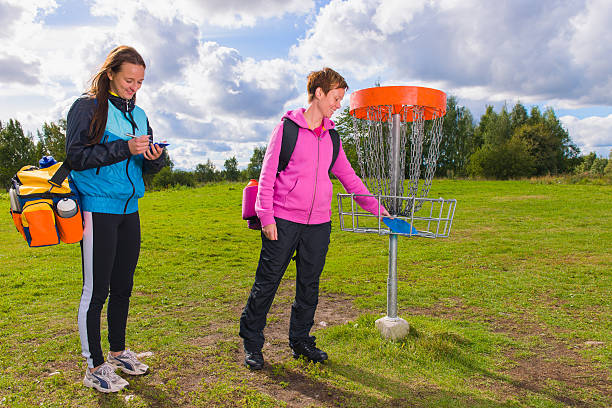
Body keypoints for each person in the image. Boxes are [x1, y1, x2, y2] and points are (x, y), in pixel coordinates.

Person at [239, 67, 390, 370]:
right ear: (318, 93)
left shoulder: (333, 137)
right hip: (282, 220)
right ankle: (252, 343)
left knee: (309, 286)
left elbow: (350, 179)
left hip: (319, 223)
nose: (338, 104)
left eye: (341, 98)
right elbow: (267, 175)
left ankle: (301, 341)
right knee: (267, 283)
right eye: (335, 97)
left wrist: (379, 210)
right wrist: (266, 216)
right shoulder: (287, 129)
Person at [65, 45, 166, 393]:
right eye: (128, 80)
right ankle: (94, 367)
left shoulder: (139, 115)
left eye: (139, 82)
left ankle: (119, 353)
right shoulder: (88, 107)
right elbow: (76, 158)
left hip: (129, 210)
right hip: (97, 208)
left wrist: (154, 157)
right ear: (110, 74)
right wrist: (125, 148)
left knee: (123, 286)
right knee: (97, 290)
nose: (133, 87)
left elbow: (145, 163)